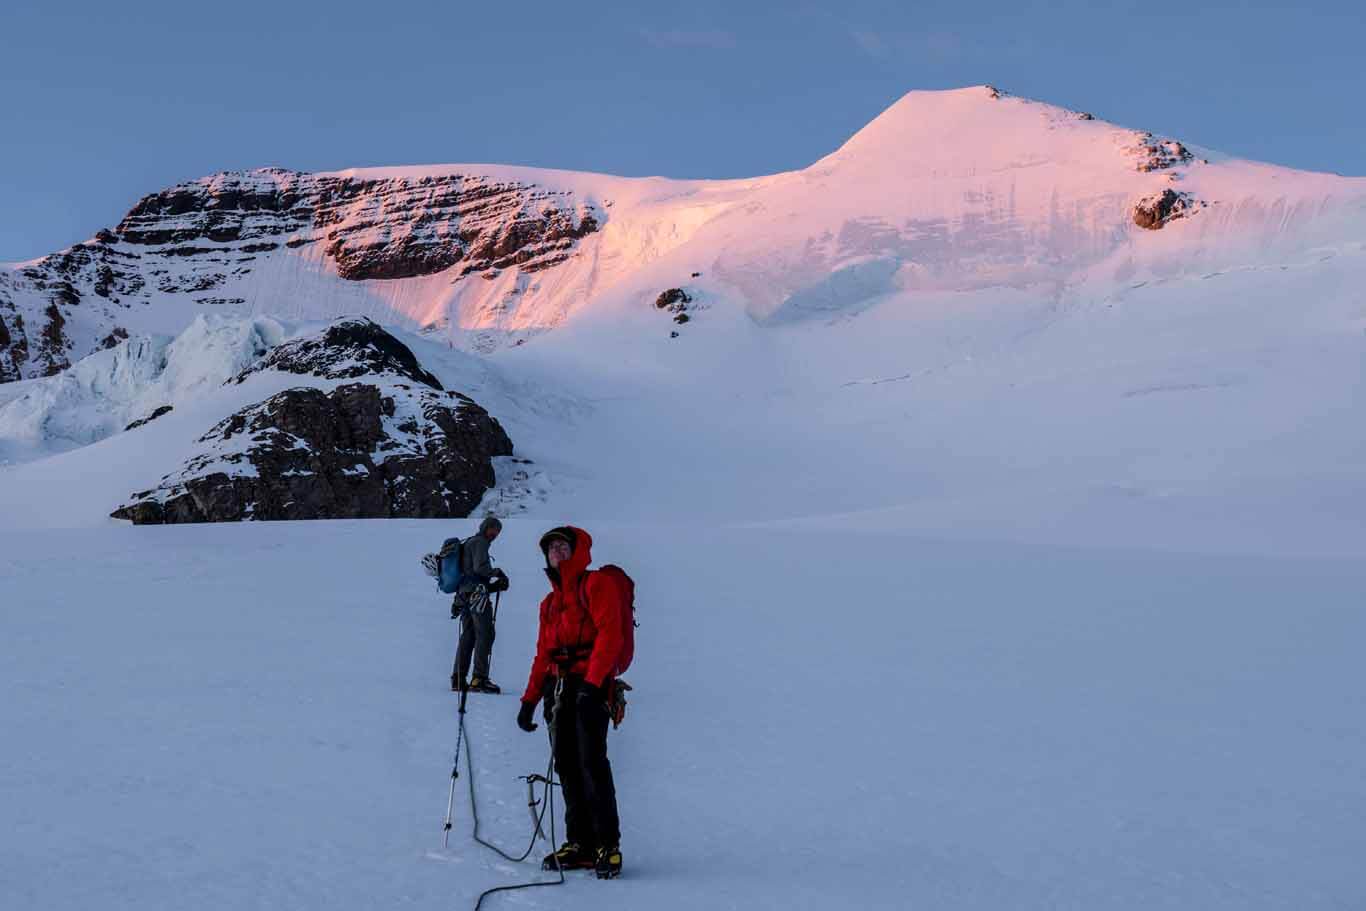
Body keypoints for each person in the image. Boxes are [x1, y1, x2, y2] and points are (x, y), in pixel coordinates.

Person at [516, 526, 626, 880]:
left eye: (563, 545)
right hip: (557, 688)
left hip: (588, 686)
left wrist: (593, 686)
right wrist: (530, 700)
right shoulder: (549, 603)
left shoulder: (596, 585)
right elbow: (541, 653)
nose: (557, 552)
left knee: (591, 762)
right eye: (551, 548)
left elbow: (611, 634)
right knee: (566, 763)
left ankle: (606, 845)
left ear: (577, 550)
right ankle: (578, 842)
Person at [451, 516, 506, 694]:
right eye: (494, 530)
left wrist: (490, 585)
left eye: (498, 532)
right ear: (486, 528)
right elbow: (479, 569)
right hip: (477, 596)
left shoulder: (470, 542)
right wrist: (497, 573)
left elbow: (469, 574)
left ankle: (458, 678)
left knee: (469, 635)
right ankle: (479, 678)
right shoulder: (480, 543)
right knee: (485, 633)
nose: (495, 534)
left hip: (464, 596)